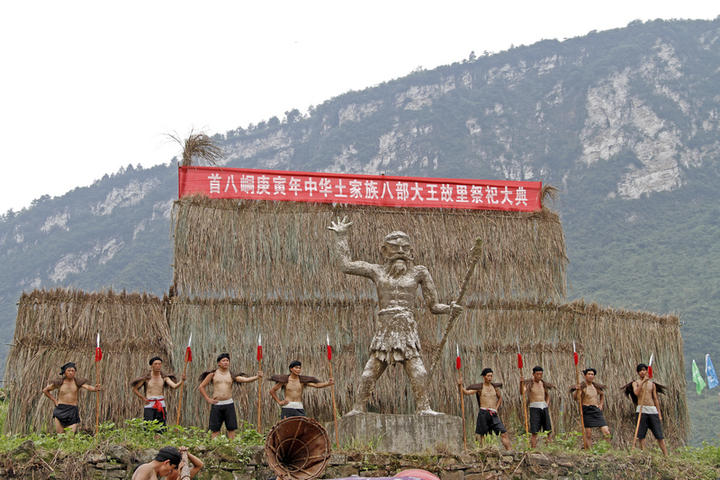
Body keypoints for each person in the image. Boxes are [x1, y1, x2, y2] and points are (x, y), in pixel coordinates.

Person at [328, 218, 462, 415]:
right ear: (384, 251)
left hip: (406, 327)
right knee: (370, 372)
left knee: (418, 371)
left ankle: (424, 408)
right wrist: (341, 237)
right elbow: (346, 265)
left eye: (404, 248)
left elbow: (433, 305)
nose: (400, 251)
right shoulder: (376, 270)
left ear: (411, 252)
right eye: (394, 247)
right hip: (386, 327)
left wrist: (449, 309)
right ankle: (358, 408)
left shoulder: (419, 272)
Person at [198, 353, 262, 439]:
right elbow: (201, 387)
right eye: (223, 361)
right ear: (218, 363)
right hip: (217, 404)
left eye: (227, 361)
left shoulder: (231, 375)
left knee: (231, 428)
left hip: (229, 403)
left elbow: (245, 380)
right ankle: (214, 448)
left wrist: (257, 377)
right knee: (215, 429)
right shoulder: (212, 374)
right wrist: (208, 399)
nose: (226, 362)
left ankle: (232, 447)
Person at [458, 368, 512, 451]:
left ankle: (509, 451)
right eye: (488, 376)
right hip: (483, 413)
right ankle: (484, 451)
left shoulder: (494, 387)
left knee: (504, 432)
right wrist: (460, 386)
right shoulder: (480, 388)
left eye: (491, 376)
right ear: (483, 377)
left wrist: (496, 407)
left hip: (493, 414)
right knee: (483, 435)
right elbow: (466, 392)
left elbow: (500, 398)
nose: (490, 377)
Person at [42, 362, 102, 434]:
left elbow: (88, 387)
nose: (70, 373)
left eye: (72, 371)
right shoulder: (59, 382)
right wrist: (54, 400)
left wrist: (95, 389)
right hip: (60, 409)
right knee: (60, 435)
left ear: (75, 372)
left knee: (70, 436)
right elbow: (45, 390)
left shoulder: (78, 382)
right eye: (68, 371)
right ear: (65, 372)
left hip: (72, 410)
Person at [622, 363, 668, 456]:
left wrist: (659, 413)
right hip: (641, 410)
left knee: (659, 435)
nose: (643, 372)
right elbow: (636, 392)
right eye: (641, 370)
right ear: (638, 372)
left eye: (644, 370)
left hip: (652, 410)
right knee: (641, 434)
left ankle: (666, 455)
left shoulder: (652, 384)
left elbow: (655, 399)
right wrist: (643, 382)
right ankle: (644, 453)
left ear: (647, 371)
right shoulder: (636, 383)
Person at [131, 356, 186, 430]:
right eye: (155, 364)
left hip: (160, 404)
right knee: (148, 427)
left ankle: (159, 441)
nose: (158, 366)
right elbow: (134, 389)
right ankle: (148, 441)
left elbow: (174, 386)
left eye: (159, 364)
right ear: (151, 365)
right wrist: (142, 398)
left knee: (160, 428)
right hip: (149, 404)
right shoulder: (146, 378)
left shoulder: (164, 377)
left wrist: (182, 381)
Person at [269, 360, 334, 418]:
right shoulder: (285, 380)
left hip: (298, 407)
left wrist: (328, 383)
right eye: (296, 368)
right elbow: (272, 390)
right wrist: (279, 401)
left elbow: (316, 385)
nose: (298, 370)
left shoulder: (302, 381)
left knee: (304, 426)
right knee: (286, 428)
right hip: (287, 407)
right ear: (291, 369)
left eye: (299, 368)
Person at [571, 367, 611, 449]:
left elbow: (602, 394)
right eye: (589, 374)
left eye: (592, 374)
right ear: (585, 375)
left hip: (596, 410)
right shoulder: (583, 386)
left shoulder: (595, 386)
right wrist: (577, 390)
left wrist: (601, 404)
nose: (590, 376)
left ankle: (607, 451)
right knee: (588, 434)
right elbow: (575, 398)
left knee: (606, 432)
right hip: (587, 410)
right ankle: (590, 451)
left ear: (594, 376)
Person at [520, 366, 554, 448]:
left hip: (543, 407)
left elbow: (547, 395)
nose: (539, 376)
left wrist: (547, 403)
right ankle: (533, 450)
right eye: (537, 374)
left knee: (547, 431)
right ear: (533, 374)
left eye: (541, 374)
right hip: (534, 408)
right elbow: (522, 392)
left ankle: (549, 449)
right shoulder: (529, 383)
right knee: (534, 431)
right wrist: (520, 383)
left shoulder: (543, 383)